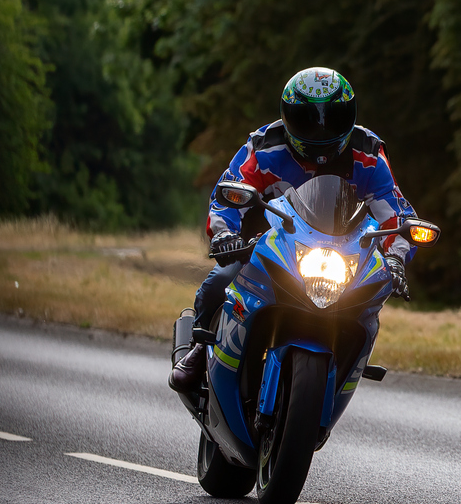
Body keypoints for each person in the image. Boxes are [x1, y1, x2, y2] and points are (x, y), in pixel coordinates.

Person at [169, 67, 417, 394]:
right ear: (287, 117)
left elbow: (396, 213)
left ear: (351, 115)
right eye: (307, 119)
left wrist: (396, 258)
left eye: (333, 118)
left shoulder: (368, 153)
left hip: (342, 251)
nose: (320, 129)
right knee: (221, 280)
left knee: (371, 299)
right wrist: (225, 235)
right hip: (266, 241)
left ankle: (347, 364)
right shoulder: (264, 147)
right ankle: (202, 346)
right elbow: (227, 195)